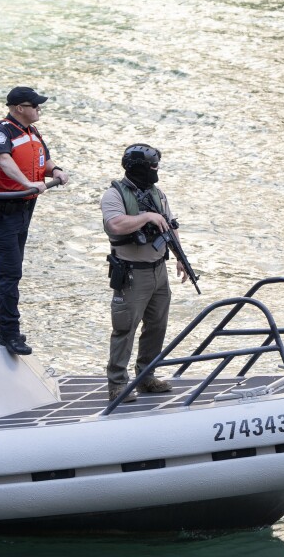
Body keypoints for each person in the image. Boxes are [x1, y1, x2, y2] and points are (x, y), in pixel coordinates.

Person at [0, 86, 69, 356]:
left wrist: (55, 170)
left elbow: (42, 159)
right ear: (19, 108)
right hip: (1, 208)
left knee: (7, 269)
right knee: (11, 272)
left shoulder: (32, 132)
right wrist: (28, 183)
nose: (39, 109)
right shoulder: (1, 131)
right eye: (35, 105)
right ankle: (9, 333)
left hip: (23, 208)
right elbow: (5, 161)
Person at [100, 143, 188, 402]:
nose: (155, 171)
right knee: (124, 329)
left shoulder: (158, 194)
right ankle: (117, 384)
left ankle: (146, 377)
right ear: (138, 167)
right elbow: (115, 224)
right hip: (131, 274)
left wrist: (180, 256)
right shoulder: (113, 195)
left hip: (158, 271)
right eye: (152, 167)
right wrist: (147, 217)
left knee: (157, 326)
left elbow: (170, 225)